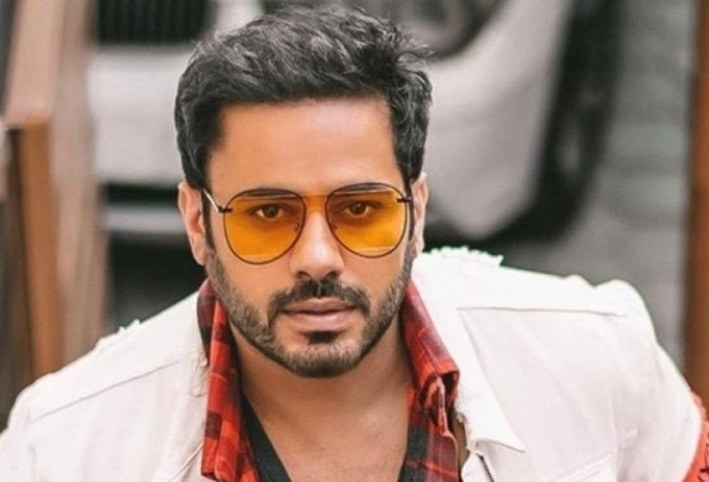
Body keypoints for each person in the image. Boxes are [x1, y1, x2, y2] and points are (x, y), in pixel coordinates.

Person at [0, 6, 707, 481]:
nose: (317, 257)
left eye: (360, 210)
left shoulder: (598, 361)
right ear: (197, 223)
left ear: (416, 211)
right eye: (267, 214)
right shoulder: (61, 450)